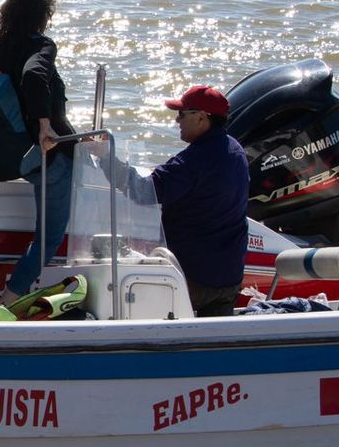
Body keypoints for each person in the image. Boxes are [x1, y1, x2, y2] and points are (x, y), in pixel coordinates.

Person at [106, 85, 250, 317]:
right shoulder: (236, 151)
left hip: (194, 279)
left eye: (182, 114)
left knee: (124, 302)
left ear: (202, 117)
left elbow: (143, 191)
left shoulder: (196, 160)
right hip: (229, 278)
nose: (176, 120)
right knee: (210, 345)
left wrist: (105, 157)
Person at [0, 0, 78, 307]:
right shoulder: (41, 46)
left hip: (16, 158)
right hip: (52, 154)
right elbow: (34, 76)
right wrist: (45, 126)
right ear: (44, 14)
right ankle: (5, 303)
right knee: (48, 238)